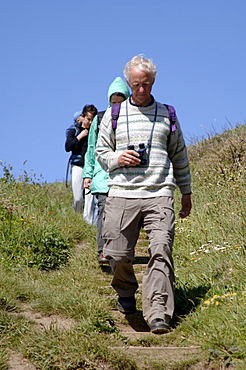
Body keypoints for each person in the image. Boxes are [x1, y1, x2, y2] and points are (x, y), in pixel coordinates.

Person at [95, 55, 192, 334]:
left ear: (153, 82)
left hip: (159, 193)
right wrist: (118, 159)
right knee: (116, 254)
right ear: (128, 83)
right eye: (136, 85)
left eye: (146, 85)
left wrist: (186, 192)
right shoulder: (112, 115)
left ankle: (158, 312)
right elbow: (101, 153)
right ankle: (125, 291)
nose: (141, 90)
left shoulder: (167, 114)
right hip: (121, 194)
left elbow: (180, 156)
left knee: (161, 250)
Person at [83, 77, 130, 264]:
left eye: (121, 102)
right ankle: (102, 251)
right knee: (103, 210)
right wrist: (88, 174)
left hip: (125, 177)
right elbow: (91, 148)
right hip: (102, 177)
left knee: (123, 215)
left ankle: (122, 251)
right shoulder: (100, 119)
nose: (117, 106)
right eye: (113, 102)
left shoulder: (133, 120)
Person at [65, 104, 97, 213]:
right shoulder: (74, 130)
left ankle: (88, 223)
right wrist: (80, 136)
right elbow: (68, 147)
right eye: (88, 119)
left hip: (91, 167)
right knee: (78, 198)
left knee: (90, 198)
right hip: (78, 166)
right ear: (82, 116)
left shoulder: (95, 132)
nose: (90, 123)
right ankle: (77, 219)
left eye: (92, 120)